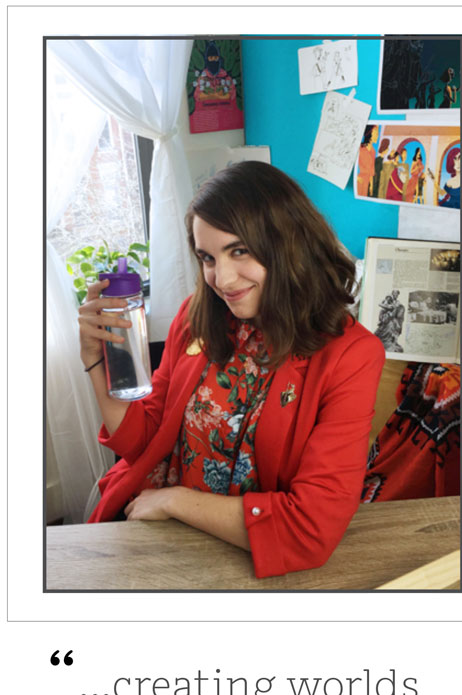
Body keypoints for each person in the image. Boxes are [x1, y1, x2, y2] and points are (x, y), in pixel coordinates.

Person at [78, 162, 385, 578]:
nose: (221, 279)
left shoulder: (351, 356)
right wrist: (99, 362)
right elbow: (141, 439)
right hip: (151, 530)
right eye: (207, 257)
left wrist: (175, 501)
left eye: (239, 250)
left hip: (247, 555)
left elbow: (310, 529)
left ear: (288, 242)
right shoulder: (195, 316)